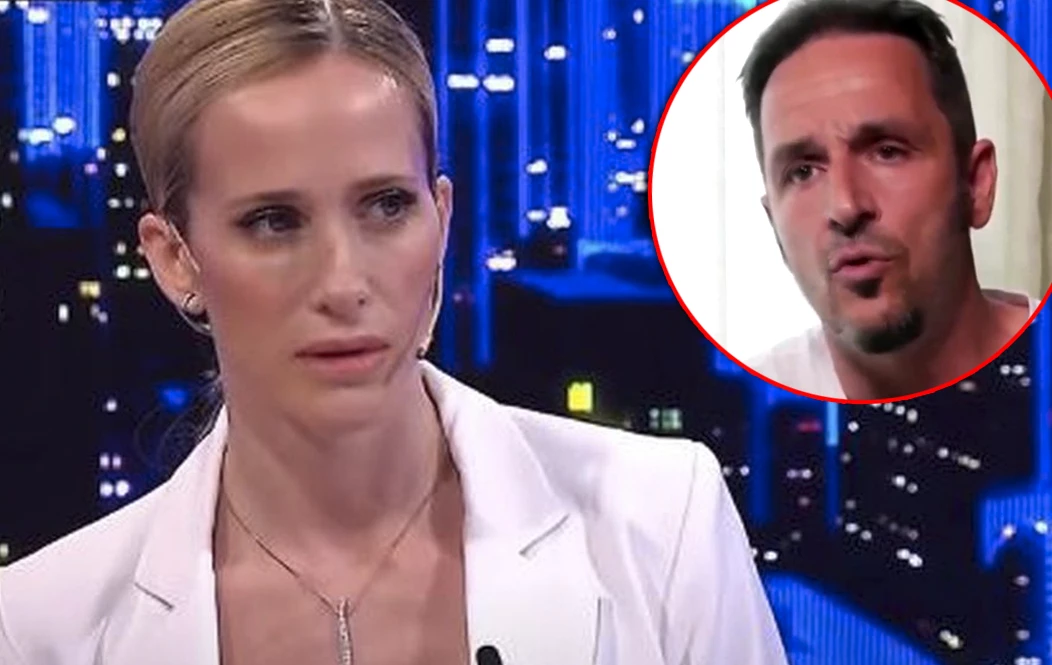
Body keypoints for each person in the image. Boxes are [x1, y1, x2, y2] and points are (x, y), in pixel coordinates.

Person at [0, 0, 787, 663]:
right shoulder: (41, 627)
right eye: (274, 221)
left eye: (386, 206)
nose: (344, 282)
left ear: (440, 219)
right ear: (175, 258)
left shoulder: (663, 527)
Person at [742, 0, 1042, 401]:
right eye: (803, 172)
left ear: (976, 182)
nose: (845, 207)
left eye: (887, 152)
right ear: (774, 226)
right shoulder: (742, 406)